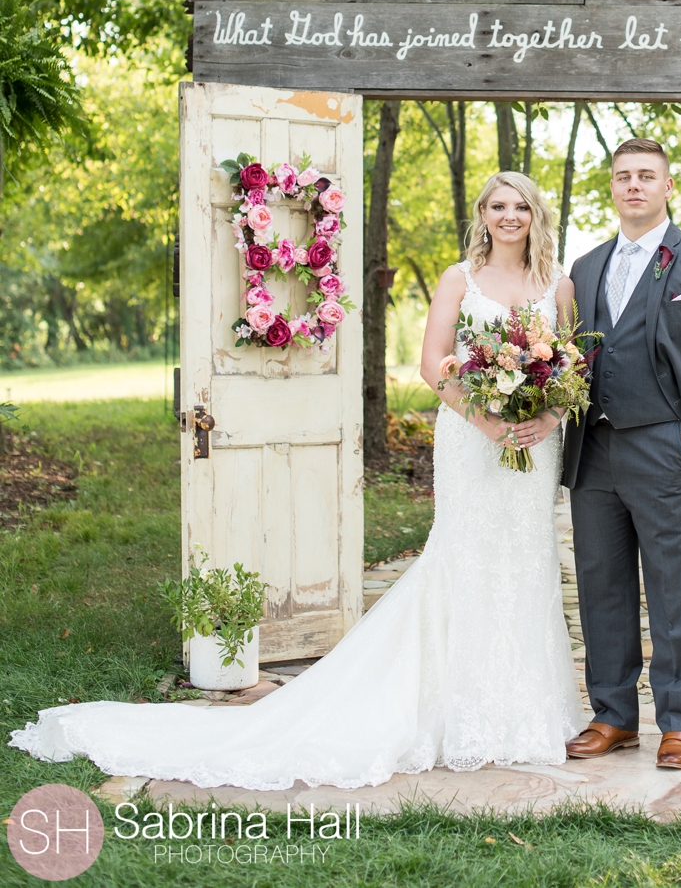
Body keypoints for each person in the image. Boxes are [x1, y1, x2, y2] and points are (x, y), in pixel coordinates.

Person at [10, 171, 586, 789]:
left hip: (532, 447)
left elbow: (573, 364)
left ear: (535, 214)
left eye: (519, 205)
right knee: (464, 560)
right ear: (482, 213)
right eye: (498, 205)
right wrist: (487, 422)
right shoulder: (458, 279)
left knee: (525, 562)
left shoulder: (558, 284)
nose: (509, 215)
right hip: (473, 443)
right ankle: (456, 713)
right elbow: (433, 365)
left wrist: (544, 417)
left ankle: (521, 714)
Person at [562, 138, 681, 771]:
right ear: (612, 188)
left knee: (676, 588)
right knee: (601, 587)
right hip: (594, 450)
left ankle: (680, 723)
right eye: (623, 177)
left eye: (646, 176)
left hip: (668, 448)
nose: (634, 186)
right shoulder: (586, 268)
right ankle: (613, 715)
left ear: (668, 186)